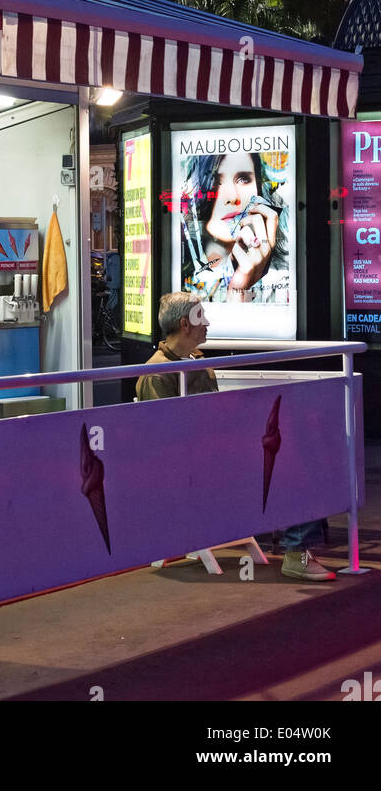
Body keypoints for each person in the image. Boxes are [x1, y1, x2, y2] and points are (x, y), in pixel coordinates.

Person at [137, 292, 336, 581]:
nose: (207, 323)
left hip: (215, 455)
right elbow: (162, 440)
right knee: (289, 466)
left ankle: (299, 550)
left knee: (296, 452)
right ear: (184, 324)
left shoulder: (195, 360)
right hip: (198, 467)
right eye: (199, 317)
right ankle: (297, 553)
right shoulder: (158, 374)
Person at [179, 150, 289, 304]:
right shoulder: (181, 275)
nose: (232, 197)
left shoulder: (281, 280)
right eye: (215, 180)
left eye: (244, 179)